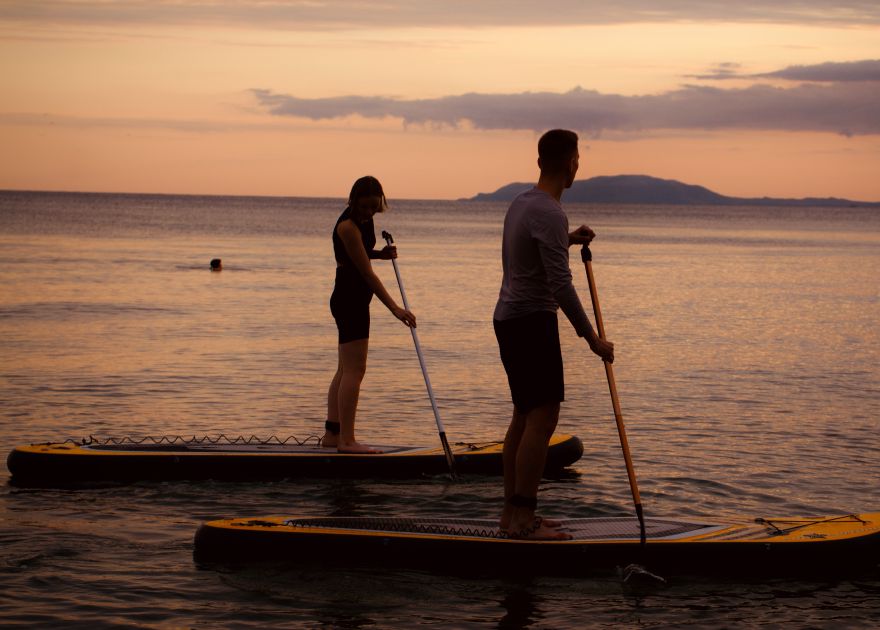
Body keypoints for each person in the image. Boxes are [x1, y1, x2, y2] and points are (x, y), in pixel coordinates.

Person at [493, 129, 615, 539]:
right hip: (531, 321)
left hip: (509, 319)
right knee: (542, 420)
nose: (579, 164)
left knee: (523, 419)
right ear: (570, 163)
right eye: (579, 157)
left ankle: (512, 516)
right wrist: (593, 339)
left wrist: (567, 239)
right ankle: (524, 520)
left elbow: (535, 246)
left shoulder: (523, 203)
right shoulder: (548, 211)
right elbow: (561, 286)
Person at [322, 176, 417, 454]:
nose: (368, 213)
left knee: (344, 369)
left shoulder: (364, 221)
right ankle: (347, 442)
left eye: (373, 208)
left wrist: (380, 254)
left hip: (351, 298)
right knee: (355, 370)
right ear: (353, 200)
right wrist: (395, 308)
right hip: (349, 299)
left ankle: (332, 435)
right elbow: (364, 273)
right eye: (363, 207)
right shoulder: (347, 226)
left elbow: (359, 256)